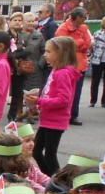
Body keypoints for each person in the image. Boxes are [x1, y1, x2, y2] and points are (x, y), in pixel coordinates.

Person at [28, 36, 80, 176]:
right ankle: (50, 179)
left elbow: (63, 100)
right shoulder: (56, 70)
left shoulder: (62, 73)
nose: (45, 55)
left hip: (55, 120)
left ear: (61, 53)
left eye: (48, 52)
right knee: (37, 151)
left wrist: (39, 101)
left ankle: (58, 181)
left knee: (49, 154)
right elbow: (52, 92)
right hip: (48, 118)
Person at [55, 8, 92, 125]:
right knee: (65, 91)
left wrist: (78, 43)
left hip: (80, 65)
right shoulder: (63, 28)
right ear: (76, 17)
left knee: (77, 92)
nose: (84, 21)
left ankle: (73, 114)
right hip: (67, 64)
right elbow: (64, 46)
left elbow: (88, 44)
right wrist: (80, 42)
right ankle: (64, 114)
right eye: (83, 18)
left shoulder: (84, 28)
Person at [88, 14, 105, 108]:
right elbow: (91, 46)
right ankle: (93, 101)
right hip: (97, 60)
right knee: (95, 81)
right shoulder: (97, 33)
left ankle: (104, 102)